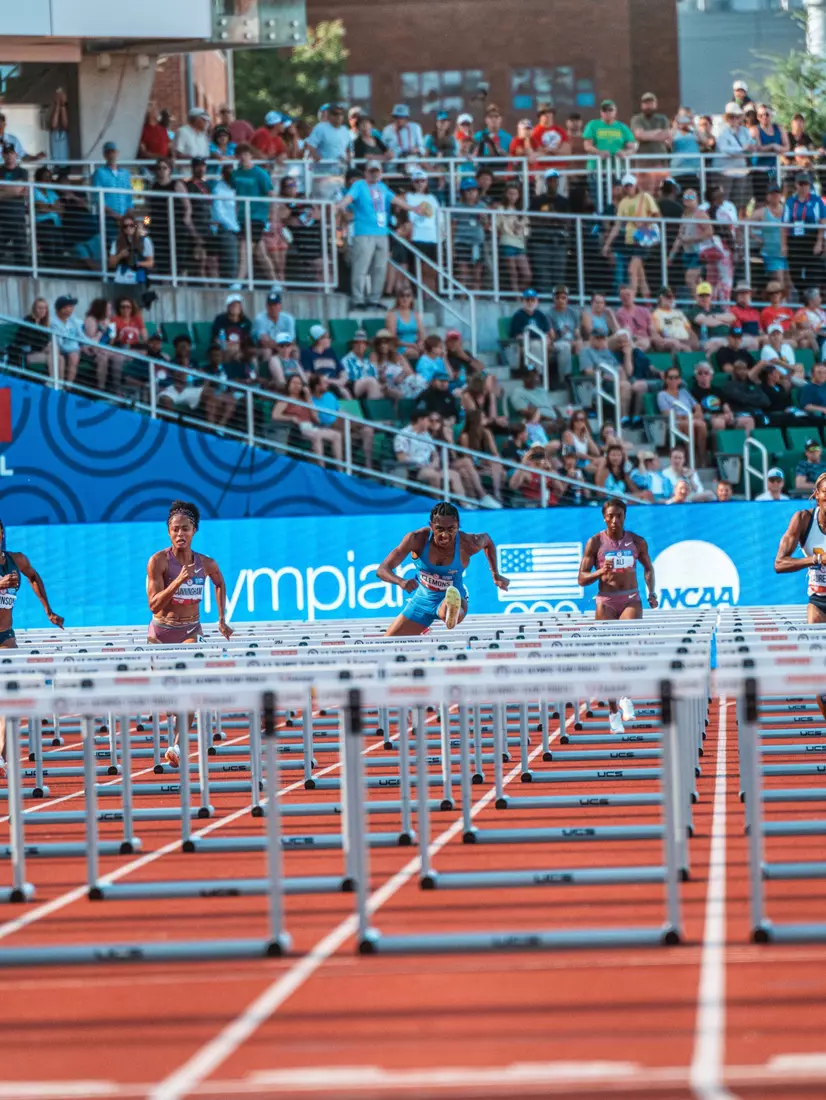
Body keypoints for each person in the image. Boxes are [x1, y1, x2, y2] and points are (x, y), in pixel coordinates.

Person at [146, 501, 232, 768]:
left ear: (194, 530)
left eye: (185, 529)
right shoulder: (158, 561)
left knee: (191, 690)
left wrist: (221, 618)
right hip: (161, 632)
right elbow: (154, 604)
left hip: (191, 630)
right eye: (175, 529)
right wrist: (178, 582)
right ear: (168, 531)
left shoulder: (205, 563)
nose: (180, 534)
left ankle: (177, 746)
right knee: (169, 698)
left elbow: (219, 582)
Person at [577, 499, 657, 733]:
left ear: (625, 516)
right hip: (606, 601)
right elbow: (581, 578)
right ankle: (613, 712)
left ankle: (624, 696)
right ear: (604, 517)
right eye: (610, 516)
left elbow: (648, 568)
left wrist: (652, 592)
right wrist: (602, 571)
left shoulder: (637, 541)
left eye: (619, 516)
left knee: (629, 649)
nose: (615, 520)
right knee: (609, 658)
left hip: (631, 598)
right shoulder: (595, 542)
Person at [376, 502, 509, 637]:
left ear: (458, 526)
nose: (445, 535)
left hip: (454, 597)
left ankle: (452, 612)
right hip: (422, 602)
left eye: (451, 529)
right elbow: (382, 570)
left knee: (448, 607)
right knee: (388, 641)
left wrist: (495, 574)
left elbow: (487, 541)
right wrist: (400, 581)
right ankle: (440, 619)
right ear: (431, 526)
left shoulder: (468, 543)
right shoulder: (417, 539)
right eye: (440, 529)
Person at [0, 517, 64, 776]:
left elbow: (34, 576)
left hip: (6, 636)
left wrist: (48, 610)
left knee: (8, 698)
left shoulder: (16, 560)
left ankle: (2, 756)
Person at [335, 161, 428, 309]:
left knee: (380, 267)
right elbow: (349, 198)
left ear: (380, 172)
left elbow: (396, 200)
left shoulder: (382, 187)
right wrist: (340, 205)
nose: (374, 174)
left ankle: (374, 298)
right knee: (361, 266)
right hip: (364, 232)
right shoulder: (359, 185)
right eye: (371, 171)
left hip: (382, 232)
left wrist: (413, 208)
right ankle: (358, 299)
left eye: (376, 171)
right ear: (366, 173)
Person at [774, 475, 826, 721]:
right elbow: (779, 563)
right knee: (821, 678)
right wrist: (816, 559)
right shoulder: (804, 520)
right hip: (819, 602)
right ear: (816, 494)